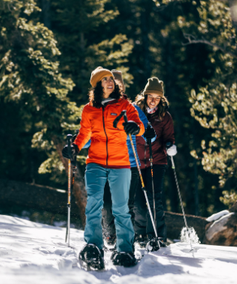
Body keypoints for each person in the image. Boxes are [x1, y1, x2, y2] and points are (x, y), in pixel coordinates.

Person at [62, 67, 145, 269]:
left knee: (121, 208)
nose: (110, 82)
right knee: (94, 205)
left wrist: (135, 127)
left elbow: (139, 124)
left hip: (120, 163)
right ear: (97, 85)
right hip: (95, 162)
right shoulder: (89, 109)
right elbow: (83, 134)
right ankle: (93, 246)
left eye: (111, 79)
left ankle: (125, 249)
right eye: (105, 79)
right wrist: (74, 147)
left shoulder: (124, 104)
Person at [100, 70, 153, 250]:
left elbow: (147, 132)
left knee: (126, 205)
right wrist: (77, 144)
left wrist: (145, 131)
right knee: (107, 202)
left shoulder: (133, 108)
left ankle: (125, 240)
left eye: (119, 86)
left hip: (130, 164)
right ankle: (109, 234)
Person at [131, 77, 176, 248]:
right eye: (151, 96)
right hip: (136, 162)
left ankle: (157, 235)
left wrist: (170, 146)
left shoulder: (165, 117)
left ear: (161, 99)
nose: (153, 100)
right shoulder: (135, 112)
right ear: (145, 95)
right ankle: (140, 234)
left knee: (154, 199)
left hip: (156, 161)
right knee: (138, 201)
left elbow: (168, 138)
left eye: (157, 97)